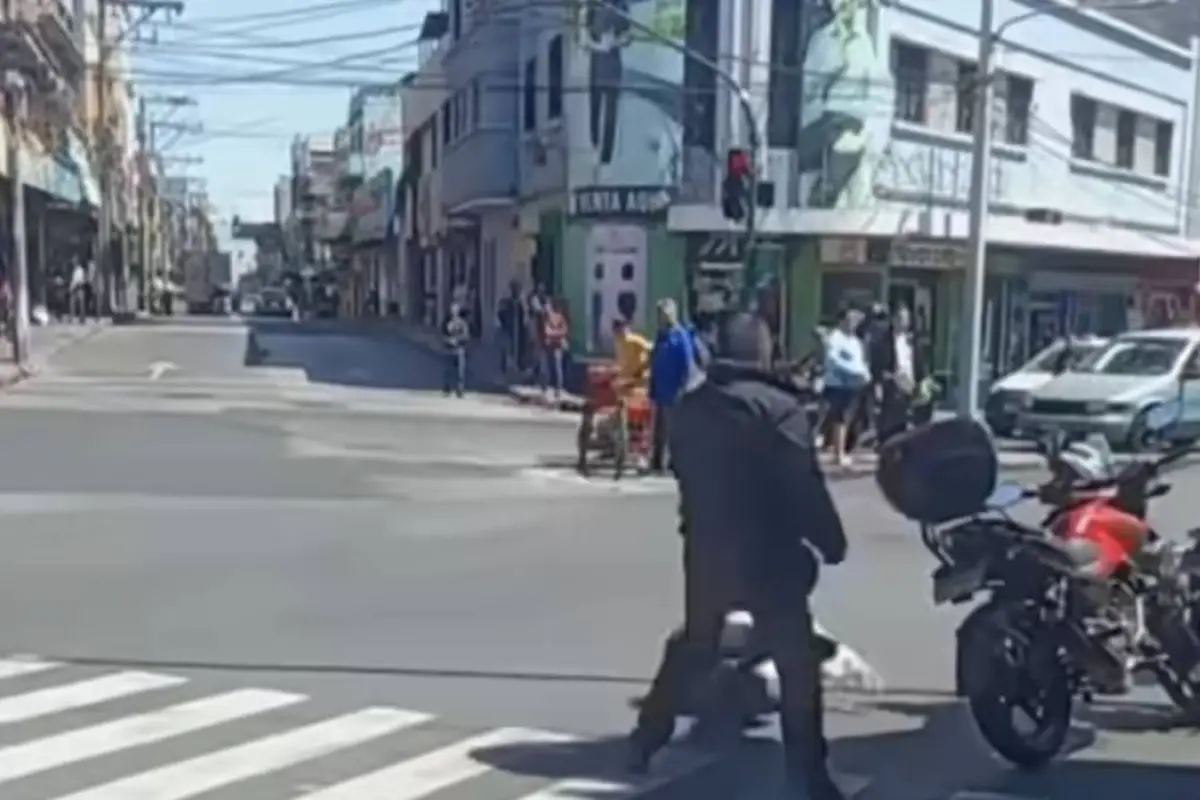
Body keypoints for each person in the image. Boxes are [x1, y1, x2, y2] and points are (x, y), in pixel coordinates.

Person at [628, 311, 849, 800]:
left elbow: (686, 479)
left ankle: (645, 739)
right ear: (763, 353)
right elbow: (804, 488)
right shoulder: (780, 410)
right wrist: (832, 542)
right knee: (797, 665)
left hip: (707, 552)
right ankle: (809, 774)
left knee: (695, 645)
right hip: (770, 557)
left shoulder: (690, 408)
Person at [648, 298, 700, 474]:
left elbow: (687, 363)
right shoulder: (661, 336)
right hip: (661, 389)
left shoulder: (680, 336)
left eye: (663, 315)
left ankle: (674, 462)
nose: (660, 318)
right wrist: (652, 387)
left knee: (673, 430)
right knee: (659, 429)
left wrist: (683, 387)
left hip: (675, 389)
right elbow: (655, 361)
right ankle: (656, 461)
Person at [870, 305, 926, 445]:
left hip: (910, 384)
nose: (903, 322)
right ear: (893, 319)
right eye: (900, 318)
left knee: (907, 421)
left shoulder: (912, 340)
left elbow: (919, 362)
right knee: (889, 420)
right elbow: (877, 364)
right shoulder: (883, 341)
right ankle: (886, 446)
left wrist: (921, 381)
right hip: (892, 383)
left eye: (906, 319)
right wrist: (878, 384)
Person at [823, 307, 870, 468]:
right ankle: (839, 453)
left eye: (856, 321)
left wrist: (865, 374)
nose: (853, 324)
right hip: (839, 384)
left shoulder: (855, 341)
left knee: (849, 419)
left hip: (855, 385)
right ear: (843, 320)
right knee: (840, 419)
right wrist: (851, 373)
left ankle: (839, 449)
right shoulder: (836, 337)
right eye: (850, 320)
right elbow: (832, 360)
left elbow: (860, 362)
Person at [542, 299, 569, 400]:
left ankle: (558, 389)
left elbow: (563, 331)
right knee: (548, 368)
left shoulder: (559, 317)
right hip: (550, 346)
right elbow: (547, 331)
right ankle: (549, 389)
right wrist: (557, 334)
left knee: (557, 368)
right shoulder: (547, 319)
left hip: (556, 346)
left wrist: (553, 334)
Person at [442, 303, 469, 398]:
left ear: (458, 312)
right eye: (452, 310)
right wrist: (447, 340)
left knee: (460, 372)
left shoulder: (462, 323)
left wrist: (457, 340)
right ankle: (447, 389)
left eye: (455, 310)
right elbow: (442, 335)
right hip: (449, 349)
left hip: (459, 350)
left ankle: (460, 390)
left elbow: (466, 336)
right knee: (448, 371)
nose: (453, 312)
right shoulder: (446, 322)